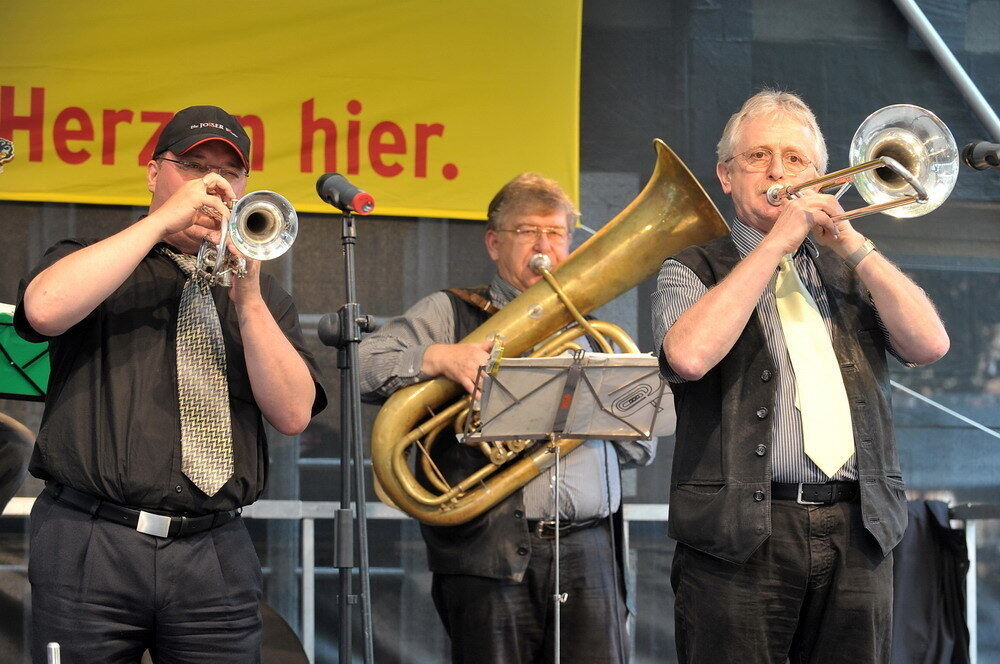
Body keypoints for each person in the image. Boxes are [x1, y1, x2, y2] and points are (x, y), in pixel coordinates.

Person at [15, 105, 326, 663]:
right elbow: (42, 309)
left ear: (246, 187)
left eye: (229, 173)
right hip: (92, 539)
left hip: (214, 549)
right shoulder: (92, 259)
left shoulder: (266, 299)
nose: (212, 183)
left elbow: (294, 414)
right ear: (155, 174)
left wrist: (248, 297)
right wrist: (161, 223)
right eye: (192, 164)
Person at [651, 90, 950, 663]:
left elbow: (930, 343)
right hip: (738, 539)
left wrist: (853, 243)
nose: (777, 172)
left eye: (795, 160)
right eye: (758, 156)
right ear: (726, 175)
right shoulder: (691, 269)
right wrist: (777, 244)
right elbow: (688, 356)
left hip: (857, 530)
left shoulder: (850, 266)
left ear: (825, 178)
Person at [360, 173, 656, 663]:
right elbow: (368, 367)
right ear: (495, 243)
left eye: (556, 232)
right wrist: (439, 357)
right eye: (527, 232)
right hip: (488, 557)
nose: (544, 246)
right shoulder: (450, 311)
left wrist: (597, 411)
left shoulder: (595, 330)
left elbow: (642, 448)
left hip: (590, 551)